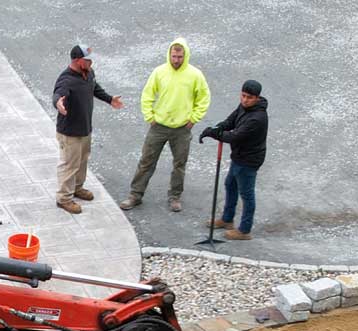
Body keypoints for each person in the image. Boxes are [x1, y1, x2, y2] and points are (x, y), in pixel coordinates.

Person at [121, 39, 209, 213]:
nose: (176, 60)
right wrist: (150, 117)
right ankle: (135, 195)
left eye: (180, 57)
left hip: (182, 129)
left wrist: (193, 119)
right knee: (146, 161)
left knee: (179, 164)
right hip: (158, 127)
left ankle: (175, 197)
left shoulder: (195, 75)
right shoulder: (159, 72)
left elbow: (204, 98)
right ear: (169, 54)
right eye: (174, 56)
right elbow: (147, 95)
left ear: (186, 56)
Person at [52, 44, 121, 215]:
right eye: (87, 60)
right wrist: (58, 103)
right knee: (69, 164)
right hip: (69, 132)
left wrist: (109, 99)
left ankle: (77, 187)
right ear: (77, 60)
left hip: (84, 128)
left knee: (82, 161)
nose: (91, 63)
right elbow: (58, 94)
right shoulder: (66, 79)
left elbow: (94, 87)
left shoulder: (88, 73)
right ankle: (64, 199)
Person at [200, 80, 268, 240]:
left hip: (249, 160)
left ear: (257, 98)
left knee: (247, 194)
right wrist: (218, 127)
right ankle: (227, 219)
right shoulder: (244, 107)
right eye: (243, 96)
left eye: (249, 97)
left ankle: (244, 230)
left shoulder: (257, 118)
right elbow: (230, 121)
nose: (245, 100)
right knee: (230, 185)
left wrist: (214, 134)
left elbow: (234, 137)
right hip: (239, 156)